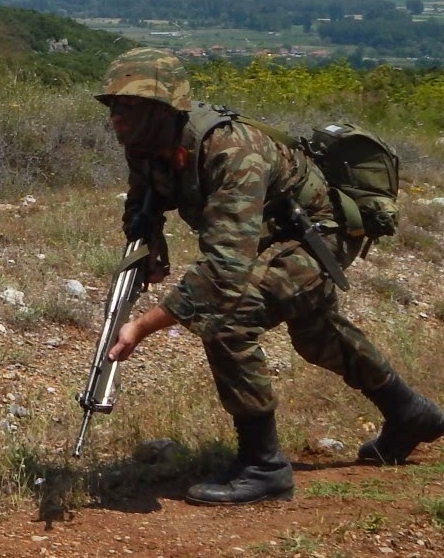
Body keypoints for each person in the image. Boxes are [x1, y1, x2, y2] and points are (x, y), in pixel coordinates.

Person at [96, 47, 444, 506]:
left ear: (166, 108)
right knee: (316, 334)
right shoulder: (147, 143)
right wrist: (149, 241)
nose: (119, 118)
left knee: (229, 315)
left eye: (131, 107)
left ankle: (264, 466)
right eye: (114, 107)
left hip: (318, 236)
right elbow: (142, 204)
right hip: (268, 238)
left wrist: (141, 327)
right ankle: (410, 414)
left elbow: (223, 272)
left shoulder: (231, 152)